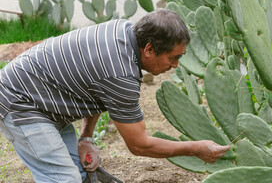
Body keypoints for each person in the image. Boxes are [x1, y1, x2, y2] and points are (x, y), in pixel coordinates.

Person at [0, 9, 230, 183]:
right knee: (63, 179)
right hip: (20, 102)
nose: (176, 65)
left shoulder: (125, 31)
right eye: (173, 57)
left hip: (44, 96)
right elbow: (139, 145)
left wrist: (86, 139)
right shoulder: (120, 74)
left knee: (81, 173)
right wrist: (195, 148)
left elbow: (96, 86)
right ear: (149, 49)